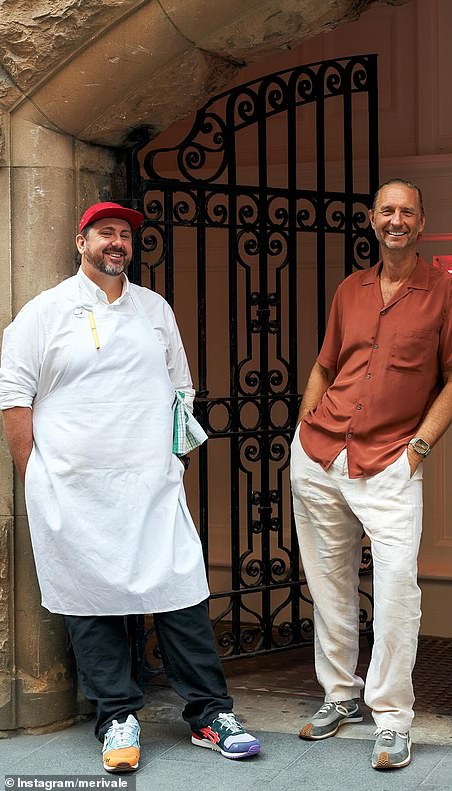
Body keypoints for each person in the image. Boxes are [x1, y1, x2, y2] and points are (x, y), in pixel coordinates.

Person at [0, 202, 260, 773]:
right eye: (105, 233)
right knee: (90, 600)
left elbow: (179, 390)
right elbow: (15, 397)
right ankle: (117, 716)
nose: (116, 242)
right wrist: (36, 476)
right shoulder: (44, 312)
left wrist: (174, 463)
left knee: (180, 591)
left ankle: (211, 715)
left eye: (124, 235)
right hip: (73, 490)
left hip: (150, 485)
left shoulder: (154, 309)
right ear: (81, 242)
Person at [290, 179, 452, 770]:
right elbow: (325, 364)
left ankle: (391, 717)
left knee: (395, 592)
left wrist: (417, 450)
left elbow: (451, 382)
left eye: (407, 211)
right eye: (386, 210)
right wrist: (305, 424)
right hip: (320, 455)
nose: (396, 220)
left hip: (390, 459)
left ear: (421, 223)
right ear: (371, 220)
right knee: (329, 584)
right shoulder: (350, 289)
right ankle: (340, 696)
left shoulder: (443, 292)